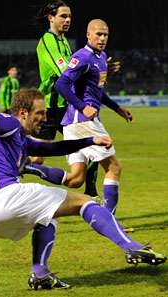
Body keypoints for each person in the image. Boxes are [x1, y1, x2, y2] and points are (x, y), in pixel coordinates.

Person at [0, 89, 166, 290]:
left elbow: (53, 148)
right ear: (23, 112)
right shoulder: (11, 122)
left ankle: (40, 274)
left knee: (47, 219)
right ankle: (131, 247)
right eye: (40, 112)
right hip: (3, 197)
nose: (45, 117)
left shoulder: (19, 140)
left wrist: (90, 140)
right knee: (85, 202)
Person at [54, 19, 133, 216]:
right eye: (98, 34)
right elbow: (61, 84)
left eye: (105, 34)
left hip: (74, 123)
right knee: (114, 167)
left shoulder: (101, 57)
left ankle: (30, 169)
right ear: (88, 35)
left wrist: (117, 108)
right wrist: (83, 107)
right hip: (83, 122)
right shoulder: (82, 57)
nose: (102, 38)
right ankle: (109, 220)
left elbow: (98, 91)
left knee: (76, 179)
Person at [32, 1, 99, 198]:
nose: (68, 20)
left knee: (93, 144)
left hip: (66, 104)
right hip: (52, 107)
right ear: (50, 18)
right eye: (63, 16)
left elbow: (75, 69)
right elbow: (65, 73)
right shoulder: (47, 41)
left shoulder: (63, 41)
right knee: (37, 157)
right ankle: (9, 179)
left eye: (69, 16)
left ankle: (91, 195)